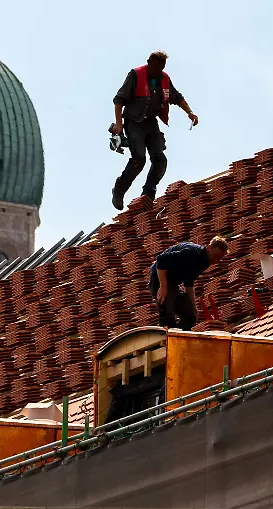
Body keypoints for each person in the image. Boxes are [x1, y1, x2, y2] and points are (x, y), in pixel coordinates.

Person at [111, 51, 199, 210]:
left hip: (151, 123)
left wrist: (190, 112)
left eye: (161, 67)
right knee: (139, 159)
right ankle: (119, 190)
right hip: (134, 122)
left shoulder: (164, 79)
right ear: (148, 63)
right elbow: (119, 100)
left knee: (160, 160)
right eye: (156, 67)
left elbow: (177, 97)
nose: (158, 71)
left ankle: (148, 194)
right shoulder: (135, 75)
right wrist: (119, 124)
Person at [149, 237, 229, 331]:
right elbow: (161, 259)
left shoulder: (205, 262)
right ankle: (167, 336)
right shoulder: (191, 253)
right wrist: (163, 286)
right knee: (167, 311)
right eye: (215, 257)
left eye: (218, 259)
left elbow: (188, 282)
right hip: (159, 277)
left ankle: (181, 336)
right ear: (209, 248)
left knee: (190, 315)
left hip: (173, 283)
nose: (215, 261)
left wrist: (193, 306)